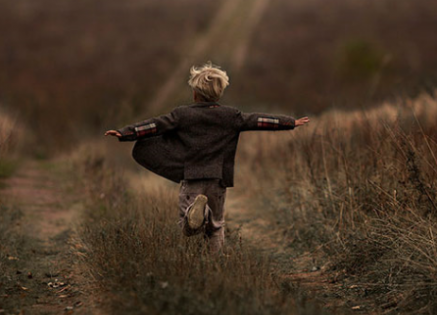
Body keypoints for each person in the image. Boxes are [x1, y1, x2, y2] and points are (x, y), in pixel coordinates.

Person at [104, 62, 310, 252]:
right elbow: (259, 120)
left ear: (195, 94)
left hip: (192, 178)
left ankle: (199, 216)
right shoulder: (231, 115)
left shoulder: (182, 114)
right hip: (217, 179)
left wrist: (126, 132)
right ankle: (214, 262)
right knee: (217, 227)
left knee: (188, 227)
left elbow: (155, 125)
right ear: (219, 94)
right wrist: (289, 122)